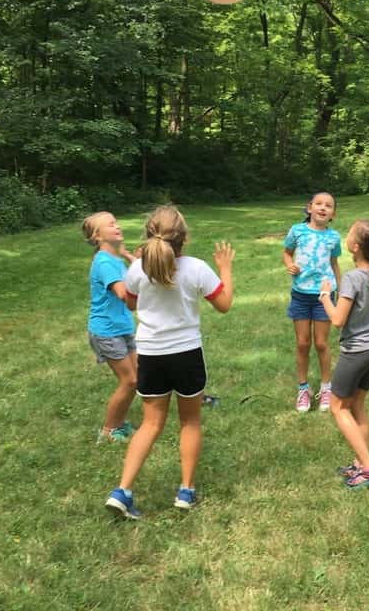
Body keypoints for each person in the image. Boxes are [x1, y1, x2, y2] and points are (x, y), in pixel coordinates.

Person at [105, 206, 234, 519]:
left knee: (150, 424)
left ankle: (122, 491)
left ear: (149, 235)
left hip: (150, 354)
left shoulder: (136, 270)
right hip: (186, 355)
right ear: (184, 238)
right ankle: (185, 492)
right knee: (189, 421)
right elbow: (224, 305)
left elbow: (133, 304)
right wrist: (226, 268)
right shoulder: (197, 268)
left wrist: (140, 267)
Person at [318, 219, 369, 489]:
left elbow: (337, 320)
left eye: (349, 233)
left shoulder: (351, 278)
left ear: (356, 246)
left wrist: (325, 296)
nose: (346, 236)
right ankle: (361, 464)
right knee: (357, 405)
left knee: (338, 407)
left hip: (357, 352)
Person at [82, 212, 139, 445]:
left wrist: (128, 257)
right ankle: (108, 430)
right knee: (129, 381)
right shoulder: (105, 262)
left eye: (117, 222)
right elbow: (124, 294)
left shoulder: (113, 259)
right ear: (97, 236)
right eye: (111, 224)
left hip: (122, 327)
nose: (117, 226)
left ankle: (119, 422)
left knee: (137, 379)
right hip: (107, 331)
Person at [282, 192, 342, 413]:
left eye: (328, 205)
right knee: (302, 343)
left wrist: (341, 289)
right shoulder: (297, 231)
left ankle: (327, 387)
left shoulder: (333, 237)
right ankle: (303, 389)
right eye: (318, 204)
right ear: (309, 208)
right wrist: (289, 264)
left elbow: (334, 263)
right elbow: (287, 253)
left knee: (321, 343)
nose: (323, 208)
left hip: (324, 296)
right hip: (300, 294)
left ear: (333, 213)